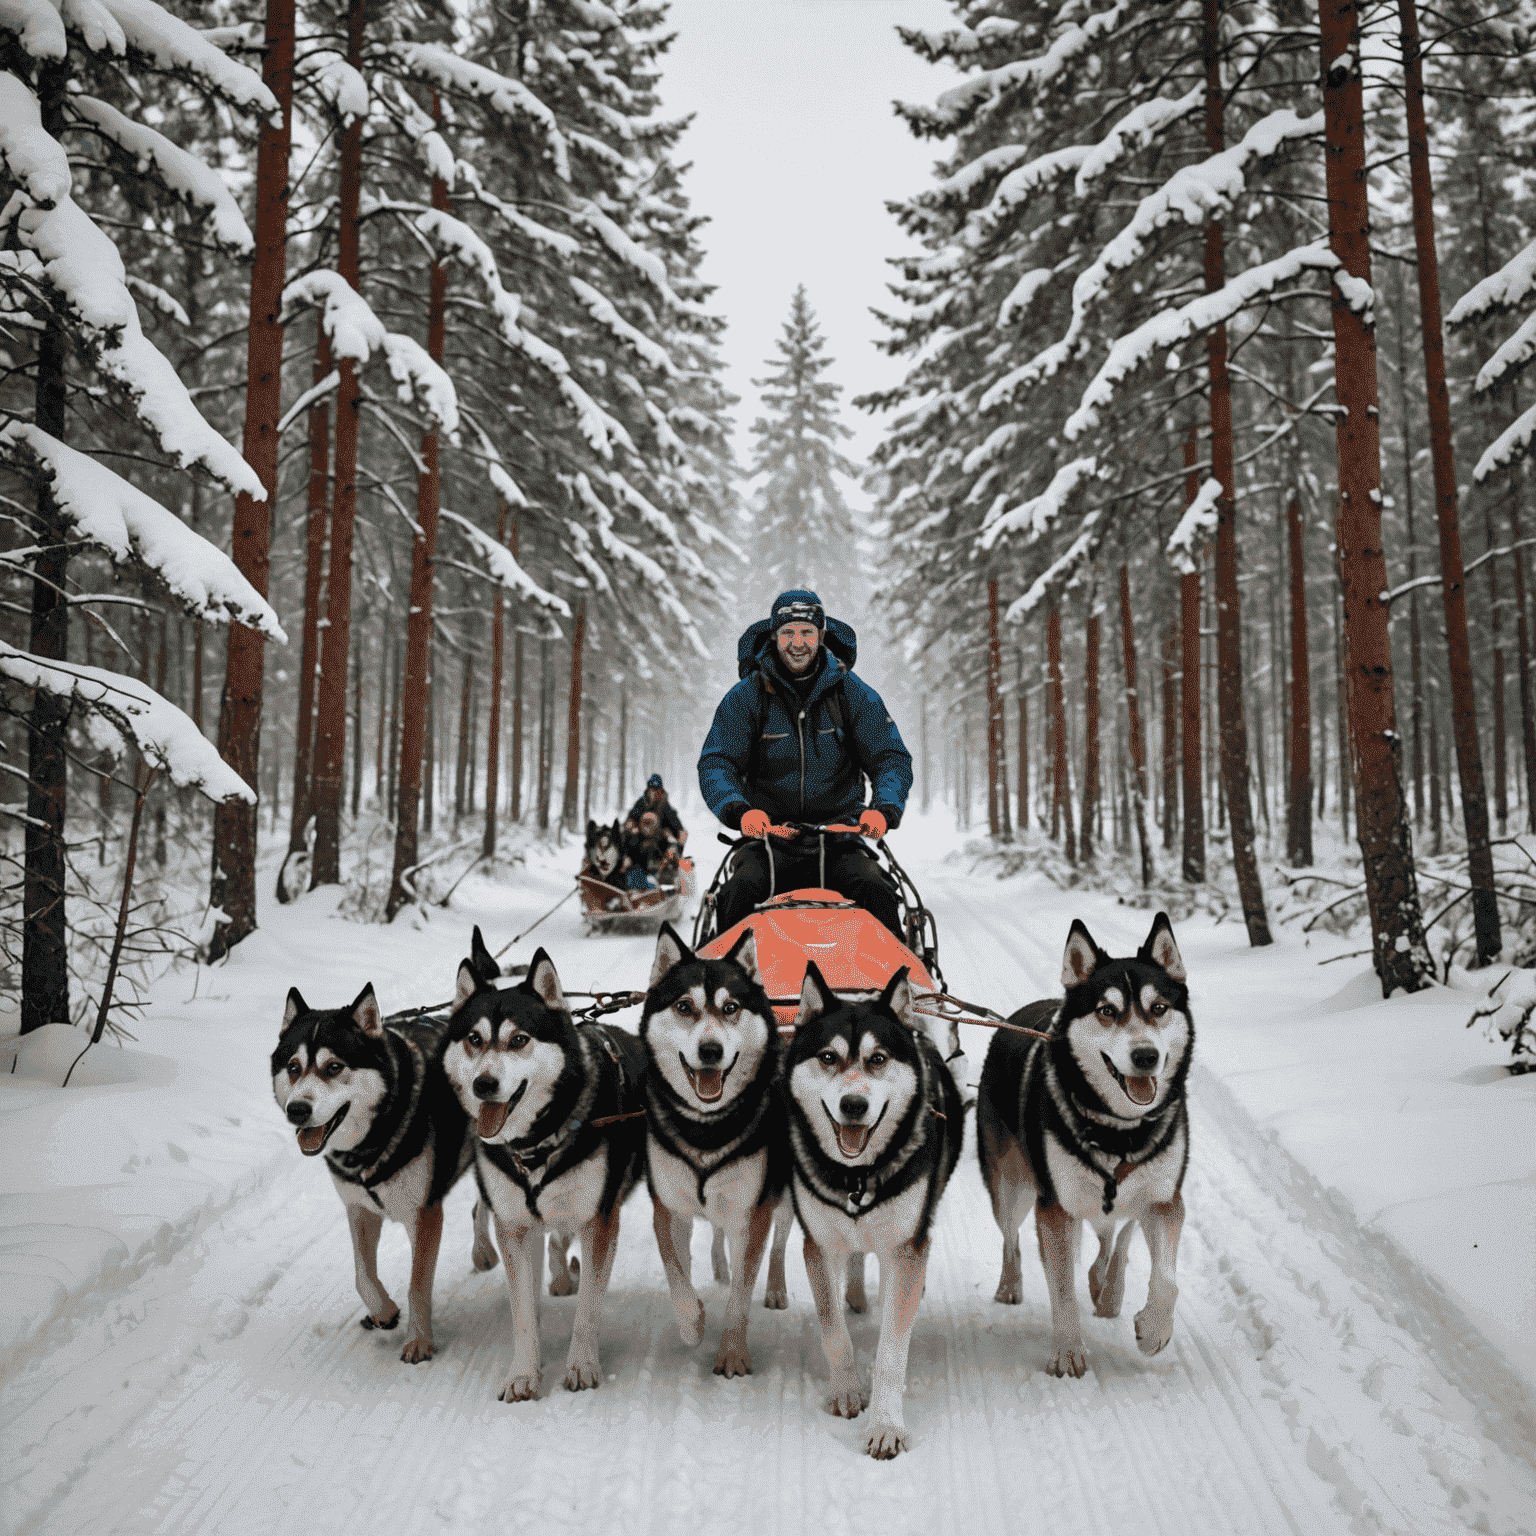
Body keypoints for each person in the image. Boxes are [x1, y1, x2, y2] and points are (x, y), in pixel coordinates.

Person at [698, 589, 913, 939]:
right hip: (769, 842)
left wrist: (884, 809)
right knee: (736, 892)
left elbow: (890, 758)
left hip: (841, 838)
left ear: (821, 635)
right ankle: (726, 984)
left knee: (878, 891)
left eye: (806, 632)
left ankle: (900, 984)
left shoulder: (853, 693)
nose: (797, 643)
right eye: (787, 633)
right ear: (774, 636)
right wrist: (739, 812)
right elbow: (717, 763)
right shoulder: (745, 698)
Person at [625, 773, 687, 848]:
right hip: (641, 837)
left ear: (660, 792)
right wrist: (630, 823)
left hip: (659, 840)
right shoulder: (641, 803)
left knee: (671, 839)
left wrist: (680, 831)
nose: (654, 793)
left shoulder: (665, 806)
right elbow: (632, 816)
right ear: (648, 791)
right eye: (652, 790)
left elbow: (674, 821)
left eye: (657, 790)